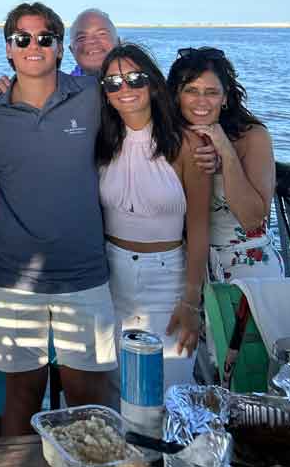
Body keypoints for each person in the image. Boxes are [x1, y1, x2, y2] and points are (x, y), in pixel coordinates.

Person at [0, 1, 116, 435]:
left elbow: (147, 109)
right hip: (14, 280)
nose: (33, 46)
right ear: (8, 49)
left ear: (58, 47)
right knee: (21, 396)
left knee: (88, 400)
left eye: (44, 38)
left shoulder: (92, 97)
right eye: (22, 39)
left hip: (84, 274)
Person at [96, 44, 210, 389]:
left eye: (135, 78)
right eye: (113, 83)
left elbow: (199, 228)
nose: (124, 88)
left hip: (167, 280)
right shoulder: (102, 143)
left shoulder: (187, 144)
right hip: (110, 279)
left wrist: (192, 301)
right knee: (116, 391)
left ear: (154, 84)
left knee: (170, 388)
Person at [168, 47, 284, 282]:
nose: (201, 101)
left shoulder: (253, 137)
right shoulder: (169, 138)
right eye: (191, 90)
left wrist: (226, 151)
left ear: (224, 97)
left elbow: (252, 220)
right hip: (185, 266)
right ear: (177, 95)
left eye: (211, 92)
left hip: (248, 268)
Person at [69, 8, 119, 76]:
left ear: (118, 43)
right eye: (82, 37)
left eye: (102, 34)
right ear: (72, 50)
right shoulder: (60, 82)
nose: (92, 40)